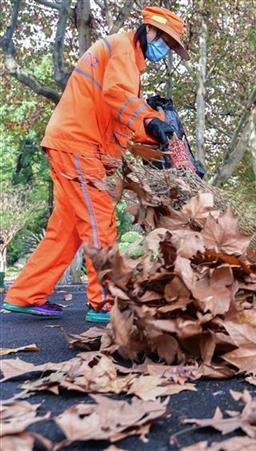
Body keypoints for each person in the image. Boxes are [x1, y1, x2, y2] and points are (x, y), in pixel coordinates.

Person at [2, 6, 190, 323]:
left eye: (172, 48)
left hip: (73, 145)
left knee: (65, 232)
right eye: (166, 42)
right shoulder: (122, 50)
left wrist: (155, 127)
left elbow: (117, 117)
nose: (166, 50)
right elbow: (117, 97)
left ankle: (25, 294)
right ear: (150, 31)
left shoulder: (127, 61)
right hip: (78, 146)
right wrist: (149, 120)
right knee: (99, 222)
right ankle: (103, 302)